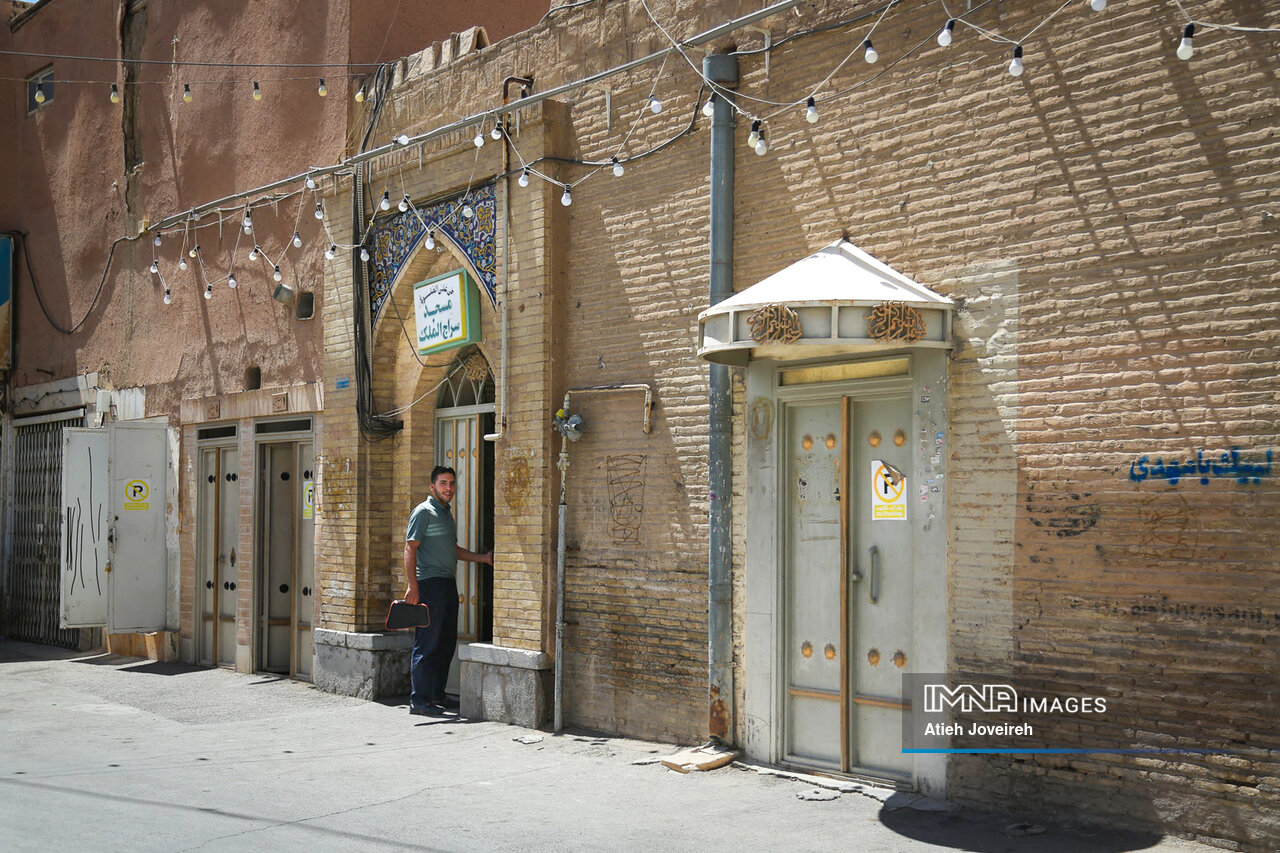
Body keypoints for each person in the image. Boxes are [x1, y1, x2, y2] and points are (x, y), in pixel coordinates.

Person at [403, 465, 492, 716]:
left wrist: (483, 558)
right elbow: (410, 548)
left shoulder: (445, 513)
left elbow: (452, 549)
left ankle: (436, 695)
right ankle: (419, 701)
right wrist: (413, 586)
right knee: (428, 643)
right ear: (432, 487)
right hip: (429, 585)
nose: (449, 488)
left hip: (446, 584)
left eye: (452, 483)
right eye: (443, 483)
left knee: (445, 642)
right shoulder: (423, 512)